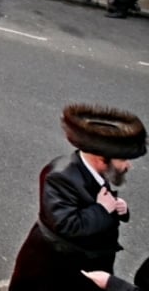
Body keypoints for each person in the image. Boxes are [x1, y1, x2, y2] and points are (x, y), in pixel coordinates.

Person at [9, 103, 145, 291]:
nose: (128, 166)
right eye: (123, 159)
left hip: (84, 264)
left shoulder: (97, 172)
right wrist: (102, 209)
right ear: (101, 158)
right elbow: (68, 224)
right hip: (54, 269)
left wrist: (119, 208)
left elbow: (99, 203)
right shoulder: (58, 176)